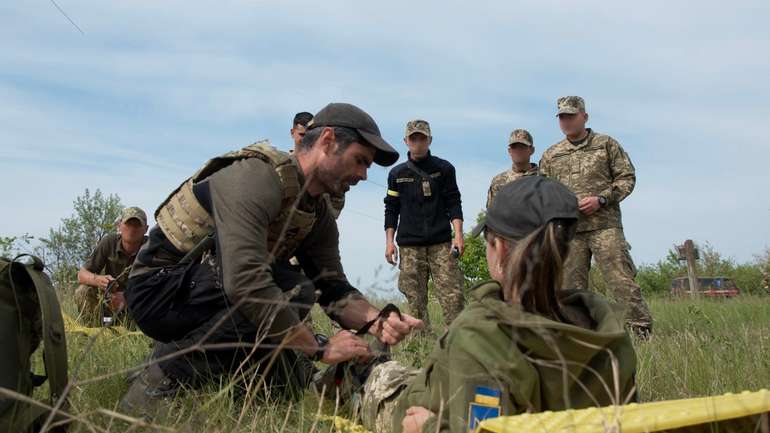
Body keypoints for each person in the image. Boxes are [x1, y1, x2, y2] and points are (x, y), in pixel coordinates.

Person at [120, 103, 422, 418]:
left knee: (296, 292)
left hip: (204, 289)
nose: (362, 175)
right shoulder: (255, 177)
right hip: (158, 292)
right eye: (360, 161)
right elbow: (245, 281)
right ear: (328, 141)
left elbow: (332, 287)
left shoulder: (314, 212)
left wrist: (377, 319)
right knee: (287, 290)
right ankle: (154, 384)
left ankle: (255, 391)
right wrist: (320, 347)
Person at [360, 176, 638, 433]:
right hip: (442, 387)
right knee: (383, 367)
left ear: (500, 248)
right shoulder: (608, 336)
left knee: (372, 376)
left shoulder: (480, 336)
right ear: (562, 252)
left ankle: (358, 369)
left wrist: (429, 428)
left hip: (409, 406)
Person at [539, 96, 653, 336]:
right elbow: (543, 191)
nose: (566, 121)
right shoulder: (551, 154)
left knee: (621, 281)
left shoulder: (605, 144)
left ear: (584, 116)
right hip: (570, 232)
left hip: (605, 227)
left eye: (571, 116)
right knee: (570, 288)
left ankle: (640, 330)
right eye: (562, 117)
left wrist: (602, 199)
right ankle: (579, 336)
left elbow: (627, 178)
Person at [384, 119, 465, 327]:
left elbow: (454, 203)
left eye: (422, 138)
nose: (418, 142)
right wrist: (389, 242)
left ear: (429, 140)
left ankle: (456, 345)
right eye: (413, 138)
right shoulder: (396, 174)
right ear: (406, 141)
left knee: (453, 297)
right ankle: (420, 348)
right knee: (415, 301)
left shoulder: (444, 169)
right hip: (410, 246)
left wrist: (458, 235)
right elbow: (391, 209)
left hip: (441, 244)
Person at [74, 206, 148, 326]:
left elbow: (161, 285)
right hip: (109, 302)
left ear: (145, 229)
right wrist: (99, 280)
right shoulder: (109, 242)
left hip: (139, 305)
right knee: (82, 291)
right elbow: (81, 275)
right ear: (119, 226)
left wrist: (128, 298)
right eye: (128, 224)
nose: (132, 229)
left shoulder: (151, 248)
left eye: (137, 225)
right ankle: (94, 331)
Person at [292, 111, 345, 218]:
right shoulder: (283, 163)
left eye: (308, 135)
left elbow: (335, 209)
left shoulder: (325, 169)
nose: (305, 139)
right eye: (301, 135)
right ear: (292, 132)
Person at [486, 128, 538, 208]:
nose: (518, 151)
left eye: (522, 147)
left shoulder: (543, 179)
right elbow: (492, 215)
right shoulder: (498, 182)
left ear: (532, 150)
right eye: (514, 147)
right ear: (509, 151)